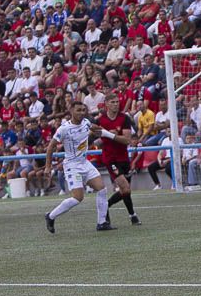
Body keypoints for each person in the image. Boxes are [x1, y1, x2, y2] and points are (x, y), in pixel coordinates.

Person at [43, 102, 111, 233]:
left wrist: (104, 132)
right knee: (78, 198)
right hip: (72, 165)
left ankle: (102, 223)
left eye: (83, 110)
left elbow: (95, 128)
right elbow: (51, 146)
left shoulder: (86, 122)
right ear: (71, 111)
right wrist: (47, 167)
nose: (81, 112)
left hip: (84, 162)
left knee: (102, 189)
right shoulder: (64, 129)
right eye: (78, 110)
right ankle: (50, 216)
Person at [96, 94, 140, 226]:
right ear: (106, 104)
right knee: (125, 188)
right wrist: (104, 137)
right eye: (113, 102)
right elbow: (96, 139)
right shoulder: (100, 120)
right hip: (110, 159)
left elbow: (127, 140)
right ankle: (132, 215)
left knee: (125, 191)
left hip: (123, 158)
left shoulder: (124, 118)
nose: (116, 104)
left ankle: (128, 214)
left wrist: (109, 135)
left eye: (117, 102)